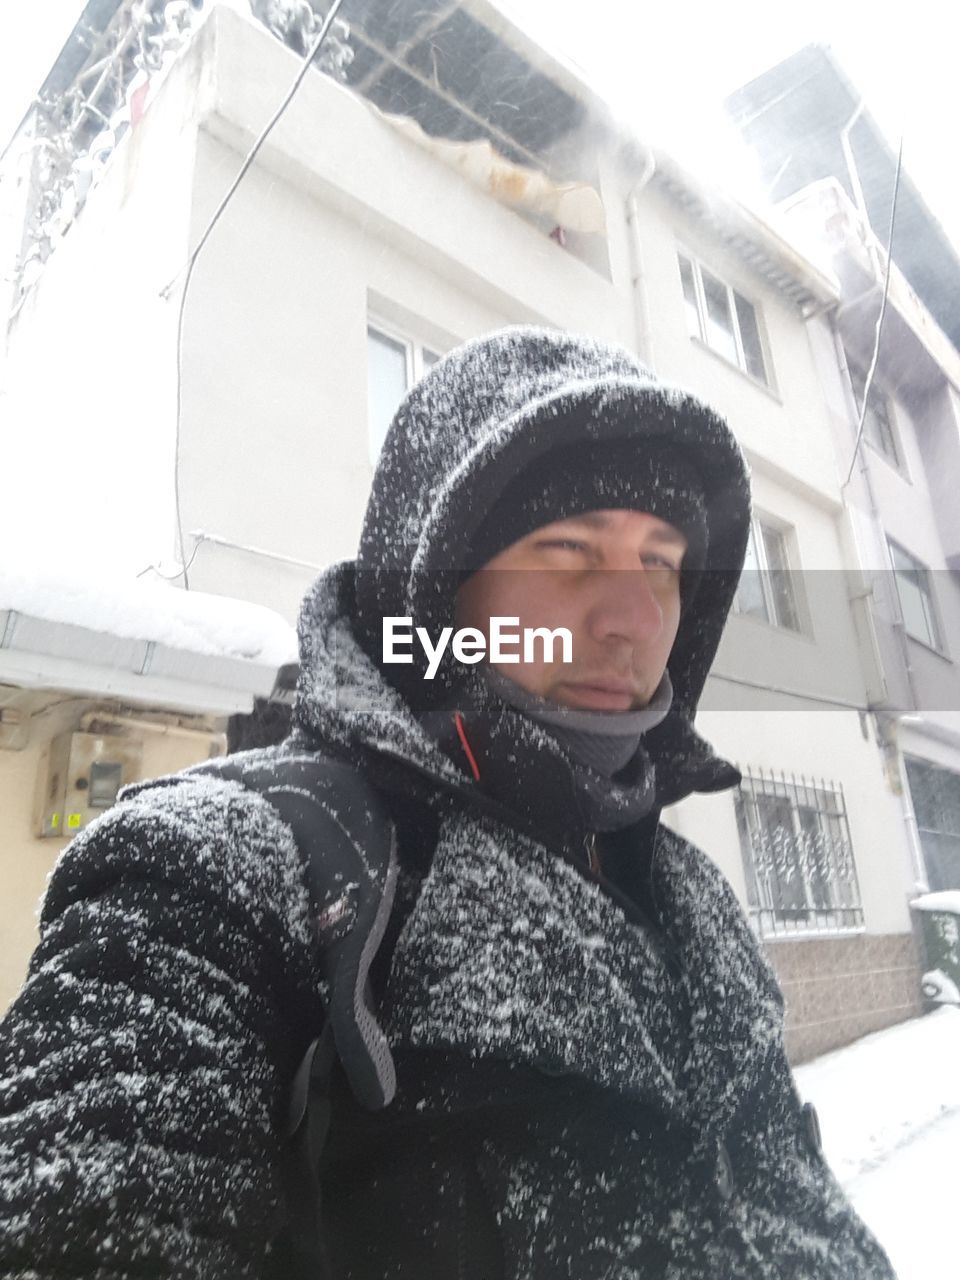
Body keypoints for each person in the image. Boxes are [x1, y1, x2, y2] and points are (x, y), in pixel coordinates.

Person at [0, 326, 894, 1278]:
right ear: (428, 594)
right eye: (567, 548)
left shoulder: (692, 894)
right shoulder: (226, 867)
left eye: (662, 563)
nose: (634, 619)